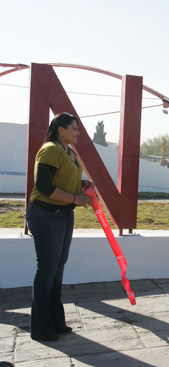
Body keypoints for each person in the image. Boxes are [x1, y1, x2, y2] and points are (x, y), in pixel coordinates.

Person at [25, 113, 93, 341]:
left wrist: (81, 184)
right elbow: (43, 186)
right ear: (60, 130)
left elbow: (61, 178)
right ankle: (42, 329)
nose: (78, 132)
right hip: (46, 216)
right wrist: (75, 198)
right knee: (47, 270)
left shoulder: (69, 152)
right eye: (74, 128)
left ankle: (55, 322)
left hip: (63, 215)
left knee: (57, 268)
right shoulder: (50, 150)